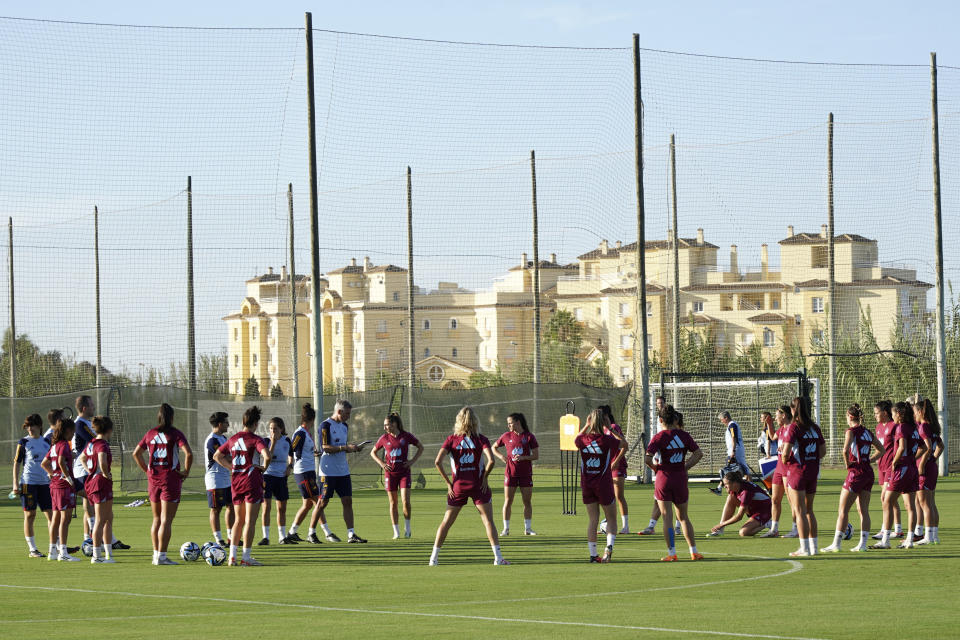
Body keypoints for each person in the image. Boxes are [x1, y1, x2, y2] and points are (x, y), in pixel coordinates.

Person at [429, 406, 509, 566]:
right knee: (488, 522)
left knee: (446, 522)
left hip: (458, 486)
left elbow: (437, 462)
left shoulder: (451, 439)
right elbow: (491, 460)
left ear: (458, 421)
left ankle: (433, 558)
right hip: (478, 485)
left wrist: (448, 484)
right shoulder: (481, 439)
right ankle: (498, 558)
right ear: (475, 421)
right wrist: (485, 478)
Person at [132, 403, 193, 565]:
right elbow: (188, 453)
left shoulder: (150, 433)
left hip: (153, 479)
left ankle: (155, 555)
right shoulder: (175, 434)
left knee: (156, 519)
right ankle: (162, 557)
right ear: (172, 417)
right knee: (166, 520)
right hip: (169, 479)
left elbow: (136, 453)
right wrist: (186, 471)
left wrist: (147, 470)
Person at [821, 404, 883, 553]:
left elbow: (844, 450)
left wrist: (848, 464)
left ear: (849, 416)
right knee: (863, 510)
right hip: (868, 472)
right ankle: (862, 544)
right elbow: (882, 450)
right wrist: (869, 460)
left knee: (843, 510)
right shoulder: (868, 432)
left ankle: (836, 544)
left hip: (856, 473)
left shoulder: (851, 431)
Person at [214, 405, 271, 566]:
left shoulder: (232, 439)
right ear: (255, 423)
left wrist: (230, 467)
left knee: (238, 520)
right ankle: (246, 557)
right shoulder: (255, 439)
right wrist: (264, 468)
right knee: (250, 521)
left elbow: (217, 455)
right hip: (251, 481)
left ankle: (232, 557)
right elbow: (267, 455)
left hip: (236, 482)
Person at [646, 404, 704, 560]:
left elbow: (647, 458)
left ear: (660, 420)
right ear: (675, 419)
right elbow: (698, 454)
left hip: (664, 478)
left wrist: (655, 468)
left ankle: (672, 553)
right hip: (680, 478)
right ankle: (694, 551)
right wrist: (685, 467)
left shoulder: (658, 437)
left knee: (667, 518)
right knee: (684, 517)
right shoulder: (684, 435)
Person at [574, 408, 626, 563]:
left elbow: (576, 439)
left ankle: (592, 554)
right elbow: (625, 444)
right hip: (603, 484)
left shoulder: (582, 440)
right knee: (611, 519)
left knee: (593, 520)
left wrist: (585, 425)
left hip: (587, 484)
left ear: (590, 421)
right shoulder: (608, 440)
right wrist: (610, 428)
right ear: (604, 421)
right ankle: (608, 548)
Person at [872, 401, 925, 550]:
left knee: (887, 501)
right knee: (910, 506)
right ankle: (909, 539)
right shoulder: (913, 428)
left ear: (899, 414)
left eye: (894, 413)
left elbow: (901, 447)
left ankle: (886, 539)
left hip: (901, 469)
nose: (892, 416)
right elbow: (924, 447)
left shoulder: (901, 427)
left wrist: (895, 462)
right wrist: (912, 458)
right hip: (912, 469)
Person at [315, 399, 367, 543]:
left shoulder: (344, 426)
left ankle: (351, 534)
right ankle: (311, 532)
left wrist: (353, 448)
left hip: (342, 470)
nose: (349, 416)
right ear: (339, 411)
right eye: (347, 413)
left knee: (347, 501)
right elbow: (325, 447)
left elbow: (342, 447)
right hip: (328, 471)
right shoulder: (325, 425)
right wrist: (344, 448)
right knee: (323, 502)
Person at [780, 396, 825, 557]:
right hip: (812, 472)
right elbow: (822, 452)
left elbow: (785, 452)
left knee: (799, 511)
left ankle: (804, 548)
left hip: (797, 472)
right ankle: (814, 548)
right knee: (809, 511)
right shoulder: (814, 428)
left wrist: (786, 459)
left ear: (793, 410)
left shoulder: (794, 427)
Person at [370, 412, 424, 539]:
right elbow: (373, 453)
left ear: (394, 424)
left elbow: (421, 447)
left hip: (404, 473)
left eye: (387, 425)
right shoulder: (384, 438)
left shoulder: (406, 436)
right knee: (393, 503)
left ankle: (408, 528)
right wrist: (382, 464)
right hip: (390, 474)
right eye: (384, 425)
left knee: (405, 501)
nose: (385, 427)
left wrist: (411, 461)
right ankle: (396, 532)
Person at [492, 412, 538, 537]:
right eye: (508, 423)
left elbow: (536, 455)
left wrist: (523, 458)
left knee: (527, 502)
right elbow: (493, 447)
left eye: (510, 423)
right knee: (508, 501)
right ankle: (506, 529)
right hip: (510, 474)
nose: (508, 426)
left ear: (518, 422)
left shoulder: (529, 437)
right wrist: (501, 456)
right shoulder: (506, 436)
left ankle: (528, 529)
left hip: (525, 474)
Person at [13, 414, 52, 558]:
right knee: (30, 515)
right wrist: (15, 484)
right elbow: (17, 463)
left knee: (51, 516)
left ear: (40, 426)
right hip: (28, 483)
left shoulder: (46, 442)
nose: (30, 428)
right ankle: (33, 549)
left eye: (33, 425)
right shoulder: (23, 442)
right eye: (28, 426)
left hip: (45, 483)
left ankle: (55, 546)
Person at [42, 417, 80, 561]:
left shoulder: (55, 445)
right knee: (65, 519)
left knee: (56, 519)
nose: (73, 435)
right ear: (68, 431)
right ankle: (63, 553)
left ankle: (52, 551)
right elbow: (60, 461)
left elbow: (45, 463)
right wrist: (67, 477)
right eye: (73, 432)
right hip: (64, 486)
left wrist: (54, 474)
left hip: (54, 485)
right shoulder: (64, 444)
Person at [79, 416, 116, 563]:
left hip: (95, 482)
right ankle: (96, 556)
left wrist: (90, 470)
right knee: (100, 520)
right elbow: (102, 461)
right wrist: (105, 474)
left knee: (108, 519)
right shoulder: (102, 444)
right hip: (100, 483)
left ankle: (108, 554)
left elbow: (82, 458)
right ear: (109, 430)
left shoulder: (91, 443)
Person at [759, 406, 797, 539]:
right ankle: (774, 529)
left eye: (777, 416)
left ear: (784, 415)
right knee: (775, 499)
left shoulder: (792, 429)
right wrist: (769, 424)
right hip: (779, 468)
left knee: (792, 500)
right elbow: (772, 436)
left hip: (788, 468)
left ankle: (795, 529)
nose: (775, 418)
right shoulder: (781, 430)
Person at [286, 403, 321, 544]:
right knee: (319, 502)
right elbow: (292, 448)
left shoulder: (305, 433)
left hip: (308, 471)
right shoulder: (300, 432)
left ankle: (292, 532)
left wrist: (312, 453)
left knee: (307, 504)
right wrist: (293, 461)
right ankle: (312, 533)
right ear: (312, 420)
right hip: (304, 472)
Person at [871, 400, 902, 540]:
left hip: (891, 467)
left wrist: (896, 460)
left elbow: (900, 444)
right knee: (891, 500)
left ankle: (885, 529)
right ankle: (898, 529)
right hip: (881, 467)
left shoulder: (894, 426)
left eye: (877, 413)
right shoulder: (878, 427)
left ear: (884, 413)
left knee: (885, 498)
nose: (875, 415)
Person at [259, 417, 293, 545]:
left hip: (281, 478)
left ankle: (282, 537)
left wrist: (290, 466)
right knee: (266, 507)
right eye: (271, 429)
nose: (273, 431)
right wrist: (273, 442)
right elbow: (268, 456)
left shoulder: (287, 441)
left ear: (281, 429)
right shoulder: (266, 441)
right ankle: (265, 537)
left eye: (275, 429)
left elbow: (291, 455)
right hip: (267, 476)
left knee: (282, 508)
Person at [914, 398, 943, 545]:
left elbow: (929, 447)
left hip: (924, 468)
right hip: (932, 467)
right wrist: (933, 459)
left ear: (920, 412)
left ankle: (928, 537)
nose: (914, 415)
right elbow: (941, 446)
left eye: (915, 412)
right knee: (930, 503)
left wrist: (923, 463)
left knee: (924, 503)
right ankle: (934, 536)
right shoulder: (930, 426)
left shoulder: (924, 427)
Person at [598, 405, 630, 534]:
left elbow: (624, 446)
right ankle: (608, 525)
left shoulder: (614, 427)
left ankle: (625, 527)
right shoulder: (601, 430)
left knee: (619, 496)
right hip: (606, 467)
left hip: (617, 466)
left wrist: (616, 462)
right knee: (606, 496)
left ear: (605, 416)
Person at [711, 470, 771, 537]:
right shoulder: (736, 488)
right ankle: (720, 530)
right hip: (753, 508)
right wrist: (721, 524)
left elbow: (739, 516)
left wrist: (721, 524)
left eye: (726, 484)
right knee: (730, 497)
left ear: (734, 483)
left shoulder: (746, 492)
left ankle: (767, 524)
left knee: (743, 532)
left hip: (764, 511)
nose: (724, 486)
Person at [204, 412, 233, 546]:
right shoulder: (212, 440)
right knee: (216, 509)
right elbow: (223, 457)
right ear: (220, 424)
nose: (228, 424)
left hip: (226, 478)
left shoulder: (224, 438)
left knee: (231, 506)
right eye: (226, 422)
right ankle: (219, 539)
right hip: (215, 478)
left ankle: (231, 537)